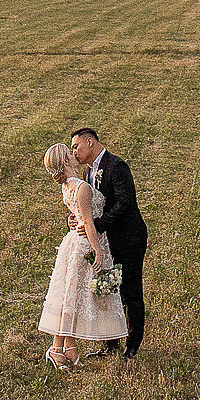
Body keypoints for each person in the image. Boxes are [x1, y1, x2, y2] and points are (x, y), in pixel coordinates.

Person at [36, 141, 128, 370]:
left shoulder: (68, 186)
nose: (74, 153)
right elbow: (88, 221)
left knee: (71, 296)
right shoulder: (82, 187)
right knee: (72, 297)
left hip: (73, 243)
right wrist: (98, 251)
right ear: (66, 161)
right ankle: (57, 349)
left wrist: (74, 220)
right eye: (70, 152)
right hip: (85, 244)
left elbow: (78, 214)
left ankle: (68, 347)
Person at [70, 127, 148, 359]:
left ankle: (132, 347)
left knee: (130, 290)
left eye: (76, 146)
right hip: (106, 241)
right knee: (107, 290)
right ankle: (109, 344)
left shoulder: (117, 167)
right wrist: (79, 218)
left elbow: (125, 204)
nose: (74, 152)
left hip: (128, 238)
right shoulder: (88, 173)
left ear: (90, 142)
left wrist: (96, 225)